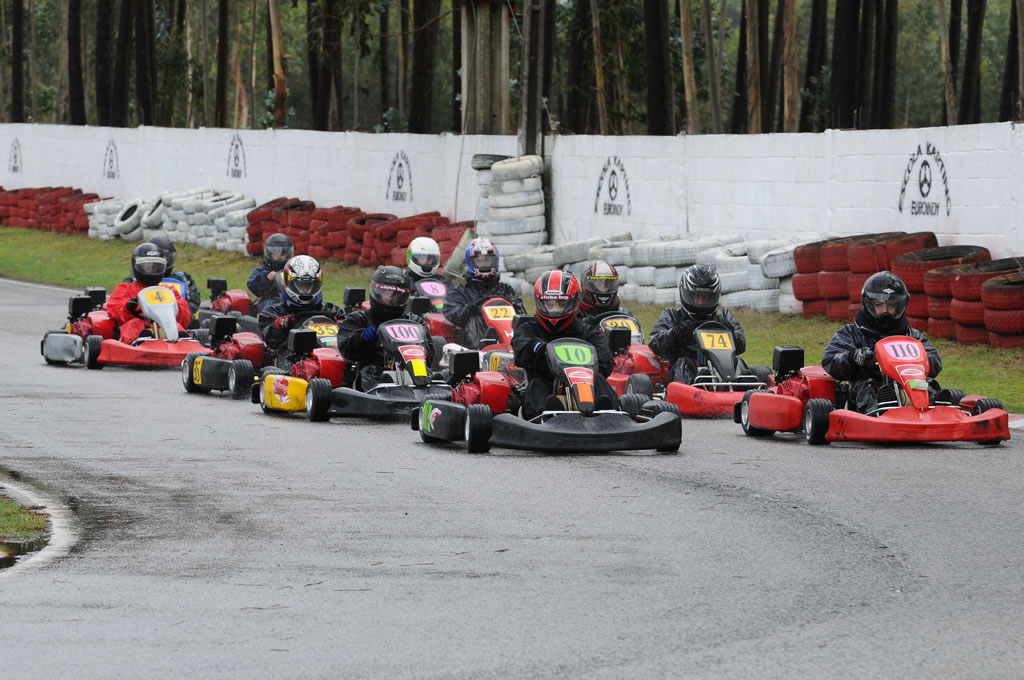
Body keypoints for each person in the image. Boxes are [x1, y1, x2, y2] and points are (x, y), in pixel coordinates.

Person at [822, 270, 942, 415]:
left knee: (928, 385)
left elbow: (935, 360)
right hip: (867, 386)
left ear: (899, 306)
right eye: (879, 305)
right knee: (867, 386)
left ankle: (940, 407)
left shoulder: (911, 335)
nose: (885, 311)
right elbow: (830, 359)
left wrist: (919, 361)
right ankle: (880, 410)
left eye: (891, 305)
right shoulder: (852, 333)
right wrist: (854, 357)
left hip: (907, 384)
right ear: (869, 305)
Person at [511, 270, 618, 419]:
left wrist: (587, 366)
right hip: (546, 387)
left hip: (584, 389)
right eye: (549, 303)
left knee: (599, 380)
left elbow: (606, 361)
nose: (555, 310)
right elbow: (520, 350)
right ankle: (549, 415)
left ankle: (608, 414)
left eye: (561, 304)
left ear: (572, 302)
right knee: (537, 386)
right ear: (540, 302)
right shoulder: (529, 329)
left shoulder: (587, 331)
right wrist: (538, 347)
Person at [648, 263, 747, 384]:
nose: (700, 302)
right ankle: (699, 385)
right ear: (686, 293)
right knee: (685, 363)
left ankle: (743, 390)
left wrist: (730, 331)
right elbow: (654, 343)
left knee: (739, 362)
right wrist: (677, 333)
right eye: (696, 296)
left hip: (722, 372)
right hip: (685, 375)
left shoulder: (722, 316)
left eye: (706, 297)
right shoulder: (672, 316)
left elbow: (741, 344)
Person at [337, 265, 432, 391]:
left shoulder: (415, 322)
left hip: (413, 369)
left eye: (396, 295)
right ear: (376, 291)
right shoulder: (358, 320)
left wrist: (421, 347)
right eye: (386, 293)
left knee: (436, 375)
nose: (390, 299)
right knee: (369, 374)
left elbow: (430, 356)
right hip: (374, 369)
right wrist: (362, 338)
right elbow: (346, 350)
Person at [257, 255, 345, 367]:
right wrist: (283, 324)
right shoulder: (274, 312)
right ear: (289, 283)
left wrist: (340, 325)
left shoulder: (331, 310)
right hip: (291, 363)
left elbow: (349, 333)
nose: (305, 290)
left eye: (309, 285)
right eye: (301, 285)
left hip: (334, 356)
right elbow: (270, 340)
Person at [443, 237, 526, 347]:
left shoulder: (504, 290)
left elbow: (522, 313)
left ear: (494, 261)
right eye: (479, 261)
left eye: (487, 260)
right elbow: (452, 313)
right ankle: (481, 351)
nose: (484, 264)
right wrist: (474, 308)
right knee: (474, 319)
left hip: (507, 338)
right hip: (472, 345)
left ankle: (518, 348)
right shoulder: (461, 291)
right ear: (471, 262)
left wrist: (508, 305)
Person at [108, 242, 192, 344]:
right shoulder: (125, 288)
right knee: (133, 328)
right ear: (136, 267)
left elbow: (185, 319)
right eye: (147, 267)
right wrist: (128, 307)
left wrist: (175, 310)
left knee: (177, 327)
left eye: (156, 267)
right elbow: (114, 312)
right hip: (138, 323)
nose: (151, 271)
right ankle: (140, 342)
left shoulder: (169, 291)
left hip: (166, 324)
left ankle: (182, 341)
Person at [124, 233, 201, 318]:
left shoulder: (182, 277)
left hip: (176, 318)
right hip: (144, 319)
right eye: (156, 261)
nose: (160, 264)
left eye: (165, 260)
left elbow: (194, 301)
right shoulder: (136, 279)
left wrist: (182, 313)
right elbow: (124, 303)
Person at [247, 233, 295, 314]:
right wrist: (267, 278)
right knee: (270, 306)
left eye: (283, 254)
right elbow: (252, 285)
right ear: (269, 253)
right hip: (270, 300)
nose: (279, 256)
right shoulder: (262, 271)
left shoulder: (293, 269)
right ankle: (269, 324)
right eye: (276, 253)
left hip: (293, 299)